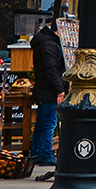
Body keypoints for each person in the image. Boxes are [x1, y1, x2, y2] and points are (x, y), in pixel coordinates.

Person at [29, 19, 66, 180]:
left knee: (42, 122)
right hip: (49, 90)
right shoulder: (49, 45)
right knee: (49, 123)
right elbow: (51, 70)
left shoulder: (44, 43)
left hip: (43, 88)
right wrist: (59, 89)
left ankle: (36, 152)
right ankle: (45, 153)